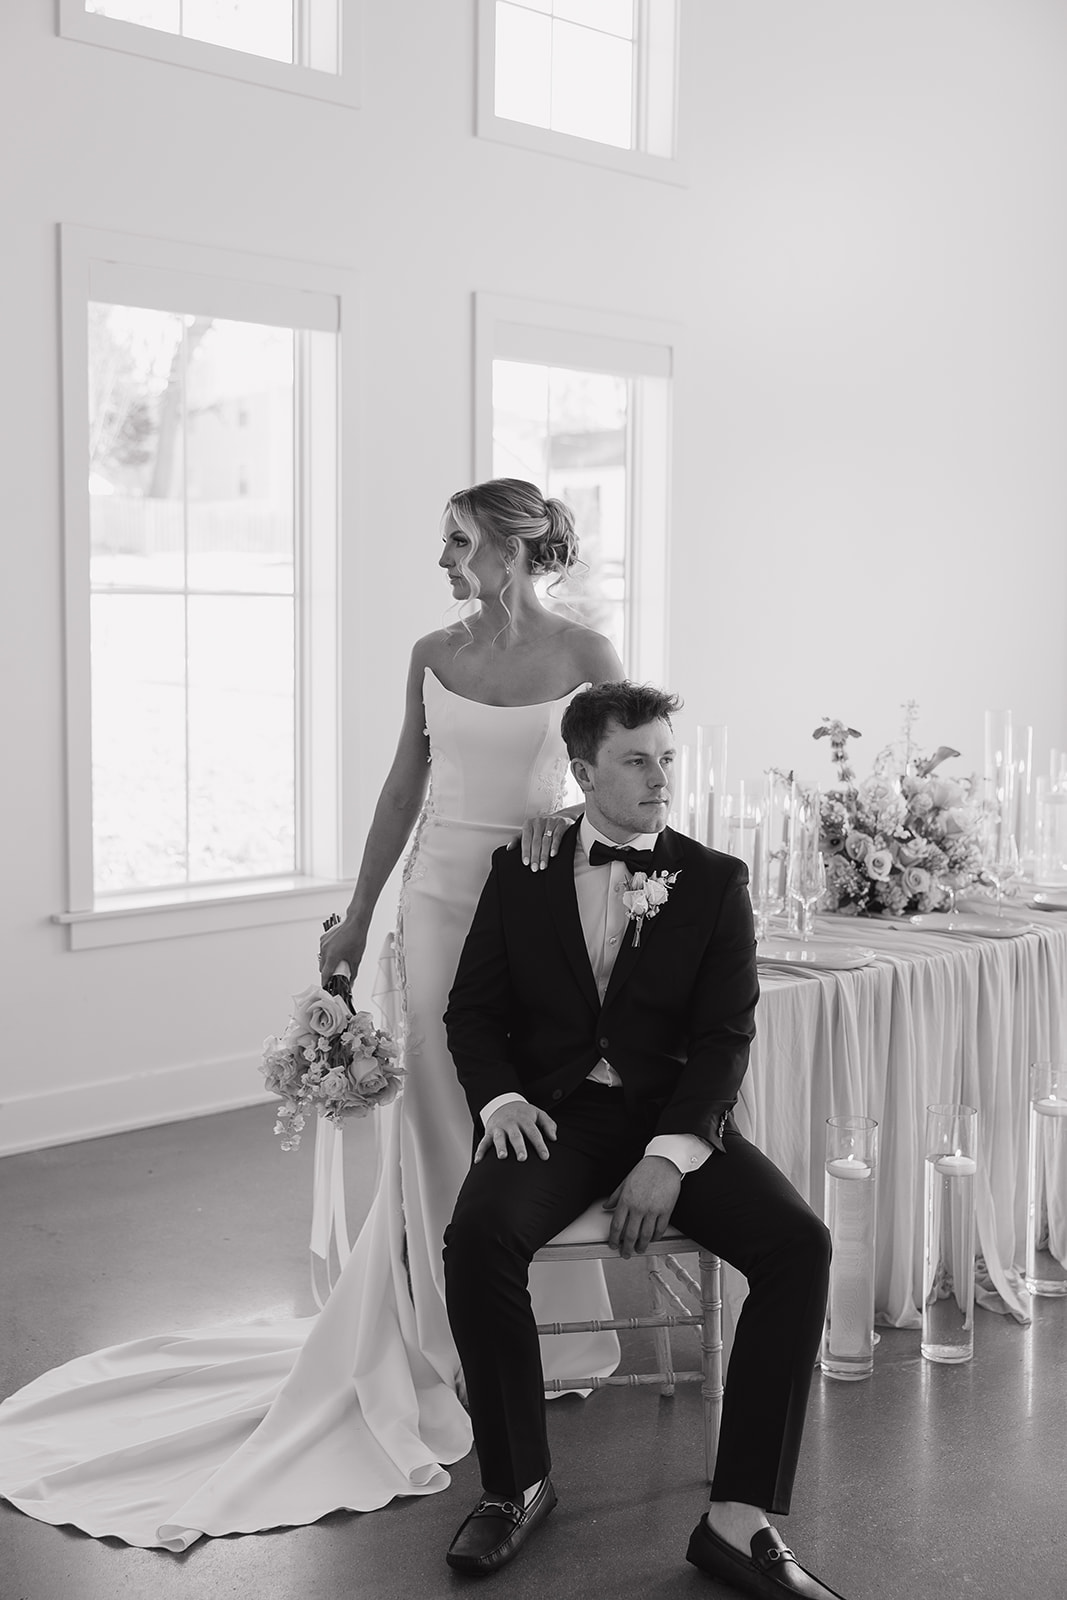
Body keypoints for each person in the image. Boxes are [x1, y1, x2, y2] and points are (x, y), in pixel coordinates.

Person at [0, 479, 624, 1551]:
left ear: (514, 548)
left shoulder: (587, 655)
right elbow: (400, 791)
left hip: (535, 911)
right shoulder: (434, 655)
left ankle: (543, 1337)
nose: (443, 560)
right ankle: (443, 1332)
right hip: (434, 907)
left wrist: (562, 824)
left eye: (460, 542)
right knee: (438, 1114)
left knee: (532, 1108)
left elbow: (610, 782)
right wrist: (356, 914)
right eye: (443, 541)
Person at [441, 681, 845, 1600]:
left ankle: (737, 1520)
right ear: (583, 773)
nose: (660, 777)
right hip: (557, 1116)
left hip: (673, 1117)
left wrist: (669, 1156)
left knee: (798, 1245)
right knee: (477, 1240)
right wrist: (500, 1099)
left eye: (667, 757)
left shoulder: (712, 880)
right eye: (635, 760)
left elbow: (724, 1039)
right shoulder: (525, 870)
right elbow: (472, 1010)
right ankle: (516, 1485)